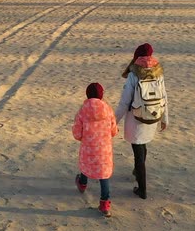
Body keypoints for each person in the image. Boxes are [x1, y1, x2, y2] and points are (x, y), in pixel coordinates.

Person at [115, 43, 168, 199]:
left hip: (136, 117)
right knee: (143, 146)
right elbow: (164, 96)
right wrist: (164, 118)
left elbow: (125, 101)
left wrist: (114, 120)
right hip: (152, 115)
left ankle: (142, 188)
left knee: (138, 150)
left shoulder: (134, 74)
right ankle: (137, 172)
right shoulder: (158, 73)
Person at [72, 82, 118, 217]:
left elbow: (77, 133)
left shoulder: (82, 110)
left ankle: (82, 183)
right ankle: (105, 202)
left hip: (88, 146)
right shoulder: (108, 109)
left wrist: (84, 138)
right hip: (104, 148)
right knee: (103, 174)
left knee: (87, 163)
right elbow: (113, 130)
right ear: (101, 95)